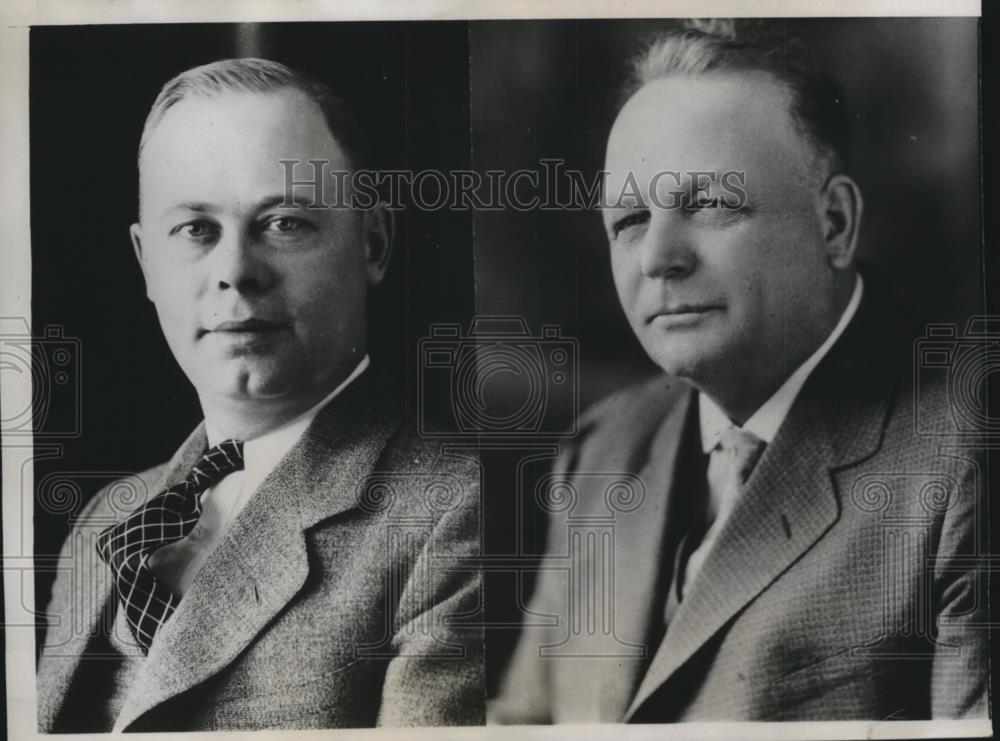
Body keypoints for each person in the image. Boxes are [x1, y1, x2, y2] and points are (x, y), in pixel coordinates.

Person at [493, 21, 988, 722]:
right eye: (630, 217)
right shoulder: (602, 450)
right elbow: (522, 723)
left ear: (836, 224)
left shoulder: (968, 453)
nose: (659, 257)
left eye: (712, 203)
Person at [37, 58, 484, 732]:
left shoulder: (457, 511)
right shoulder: (107, 518)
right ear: (145, 264)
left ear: (374, 242)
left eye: (283, 223)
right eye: (196, 230)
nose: (236, 274)